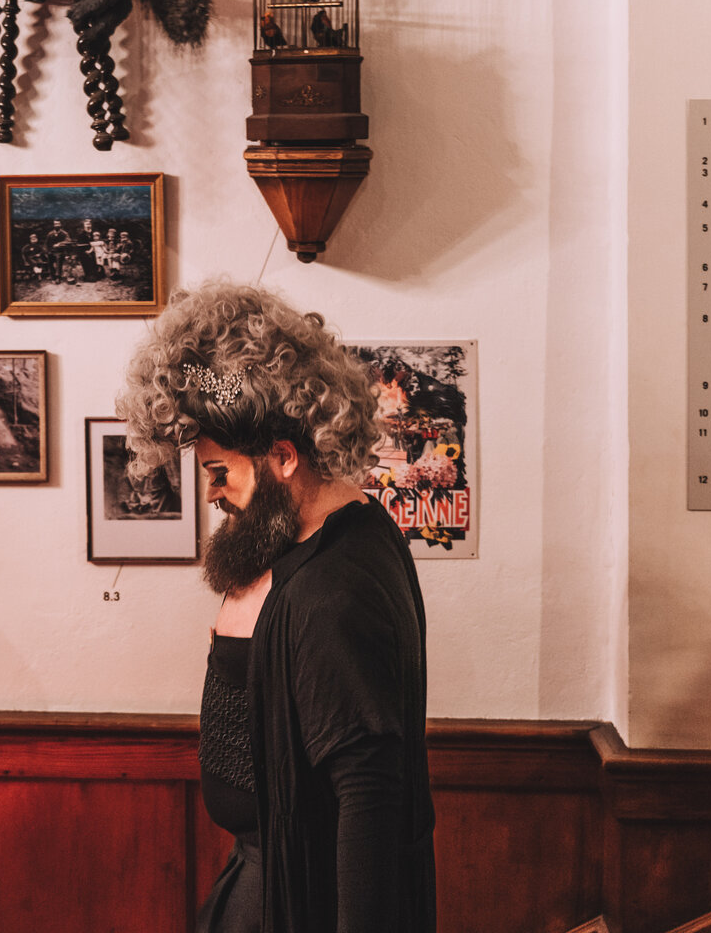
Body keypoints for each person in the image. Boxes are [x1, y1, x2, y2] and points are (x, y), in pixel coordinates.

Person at [115, 281, 436, 933]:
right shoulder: (342, 532)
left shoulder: (333, 590)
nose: (212, 495)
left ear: (283, 457)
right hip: (262, 878)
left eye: (219, 473)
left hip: (297, 902)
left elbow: (368, 795)